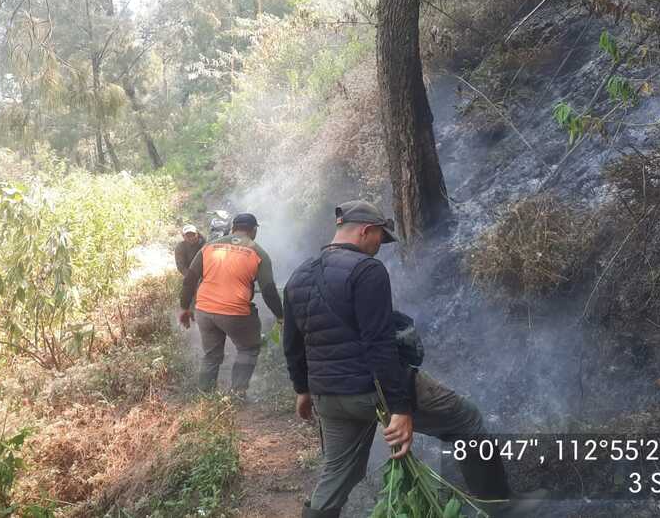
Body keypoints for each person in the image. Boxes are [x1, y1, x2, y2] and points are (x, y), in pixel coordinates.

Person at [282, 200, 510, 518]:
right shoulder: (367, 270)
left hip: (327, 395)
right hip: (370, 390)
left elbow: (292, 343)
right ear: (366, 230)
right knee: (467, 422)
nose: (380, 247)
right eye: (380, 238)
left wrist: (302, 390)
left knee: (336, 475)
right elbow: (380, 343)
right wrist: (400, 409)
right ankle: (500, 507)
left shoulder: (298, 277)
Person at [180, 213, 283, 397]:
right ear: (254, 230)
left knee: (211, 355)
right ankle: (237, 393)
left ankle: (205, 395)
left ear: (233, 228)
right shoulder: (258, 252)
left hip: (204, 310)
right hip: (235, 313)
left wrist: (184, 308)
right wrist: (280, 315)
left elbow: (189, 280)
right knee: (248, 348)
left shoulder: (209, 247)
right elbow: (268, 290)